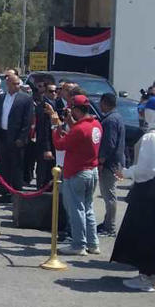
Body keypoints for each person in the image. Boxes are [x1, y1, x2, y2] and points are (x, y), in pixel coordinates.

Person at [110, 96, 155, 292]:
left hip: (148, 191)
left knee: (144, 233)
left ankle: (147, 277)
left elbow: (146, 170)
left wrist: (126, 173)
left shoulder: (150, 137)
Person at [50, 95, 102, 256]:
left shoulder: (80, 129)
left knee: (76, 209)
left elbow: (60, 144)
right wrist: (70, 122)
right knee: (88, 208)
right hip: (91, 170)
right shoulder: (95, 125)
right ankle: (93, 243)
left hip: (77, 171)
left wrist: (55, 127)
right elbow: (78, 134)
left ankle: (79, 244)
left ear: (77, 110)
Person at [0, 74, 35, 203]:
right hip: (3, 135)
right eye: (14, 84)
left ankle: (16, 193)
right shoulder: (1, 98)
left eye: (18, 84)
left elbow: (27, 121)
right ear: (8, 84)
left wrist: (22, 138)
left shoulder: (25, 99)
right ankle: (4, 192)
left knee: (16, 166)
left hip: (17, 138)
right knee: (4, 165)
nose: (17, 86)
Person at [97, 92, 127, 237]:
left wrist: (101, 160)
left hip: (110, 164)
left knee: (109, 195)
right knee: (108, 194)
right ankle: (107, 223)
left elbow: (109, 143)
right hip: (115, 162)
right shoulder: (117, 117)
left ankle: (110, 227)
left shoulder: (110, 120)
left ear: (104, 103)